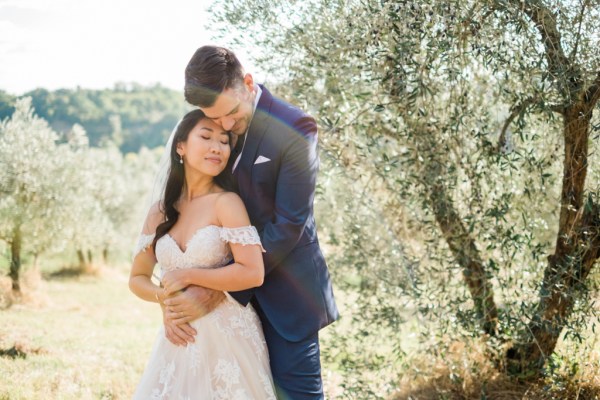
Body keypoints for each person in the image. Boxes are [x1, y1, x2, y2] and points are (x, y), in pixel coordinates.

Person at [160, 45, 339, 399]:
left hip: (287, 297)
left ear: (247, 82)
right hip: (222, 318)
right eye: (214, 118)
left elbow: (290, 223)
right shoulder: (215, 128)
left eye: (230, 113)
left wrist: (221, 283)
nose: (225, 126)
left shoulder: (295, 127)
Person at [129, 109, 277, 399]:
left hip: (228, 341)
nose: (217, 147)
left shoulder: (227, 202)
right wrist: (166, 298)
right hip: (178, 337)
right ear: (180, 146)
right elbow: (137, 277)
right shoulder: (159, 212)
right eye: (206, 137)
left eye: (224, 141)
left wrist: (186, 275)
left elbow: (252, 271)